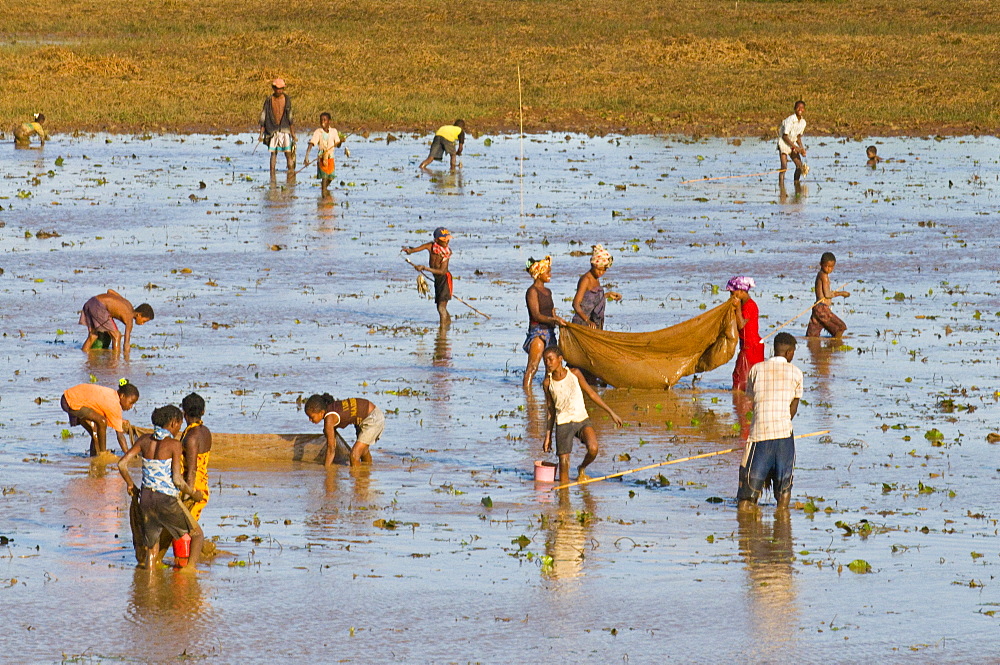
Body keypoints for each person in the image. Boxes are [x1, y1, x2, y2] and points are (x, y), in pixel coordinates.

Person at [117, 405, 204, 571]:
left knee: (152, 548)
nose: (179, 428)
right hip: (166, 499)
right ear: (172, 423)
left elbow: (121, 464)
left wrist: (130, 484)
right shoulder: (174, 444)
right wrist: (193, 494)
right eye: (178, 424)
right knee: (197, 535)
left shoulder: (143, 440)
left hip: (146, 499)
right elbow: (178, 481)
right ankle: (190, 571)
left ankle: (148, 583)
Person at [737, 332, 803, 512]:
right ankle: (782, 520)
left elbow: (752, 400)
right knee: (783, 491)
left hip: (760, 434)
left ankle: (746, 531)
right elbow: (792, 409)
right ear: (789, 353)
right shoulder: (796, 373)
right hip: (783, 435)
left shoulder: (756, 370)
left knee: (747, 495)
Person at [542, 347, 623, 482]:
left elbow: (591, 394)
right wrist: (548, 436)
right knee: (564, 463)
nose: (548, 363)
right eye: (545, 361)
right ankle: (564, 497)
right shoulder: (547, 383)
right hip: (563, 423)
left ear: (560, 359)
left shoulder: (575, 374)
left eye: (550, 359)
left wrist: (611, 413)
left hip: (581, 419)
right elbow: (551, 411)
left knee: (593, 448)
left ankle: (582, 468)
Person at [60, 379, 139, 456]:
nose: (131, 406)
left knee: (95, 430)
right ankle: (103, 453)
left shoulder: (112, 395)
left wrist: (119, 420)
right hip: (70, 400)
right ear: (122, 396)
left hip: (72, 397)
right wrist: (128, 455)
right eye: (131, 403)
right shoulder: (114, 405)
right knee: (102, 421)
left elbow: (104, 410)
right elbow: (120, 436)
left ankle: (94, 456)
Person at [303, 394, 385, 467]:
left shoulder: (329, 419)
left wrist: (327, 470)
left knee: (354, 455)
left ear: (321, 412)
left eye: (312, 417)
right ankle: (367, 473)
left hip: (373, 418)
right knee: (363, 451)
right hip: (367, 416)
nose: (310, 420)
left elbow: (331, 449)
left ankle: (358, 480)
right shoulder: (330, 409)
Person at [523, 256, 567, 390]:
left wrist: (558, 320)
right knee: (533, 367)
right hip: (538, 333)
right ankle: (527, 395)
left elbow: (551, 312)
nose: (550, 275)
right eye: (547, 272)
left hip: (550, 331)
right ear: (538, 274)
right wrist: (554, 320)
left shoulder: (548, 292)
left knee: (551, 369)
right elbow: (536, 315)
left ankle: (549, 393)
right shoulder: (532, 291)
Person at [79, 289, 154, 356]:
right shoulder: (129, 320)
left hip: (91, 302)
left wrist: (116, 301)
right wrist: (127, 360)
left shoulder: (127, 304)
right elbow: (126, 344)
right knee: (117, 336)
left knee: (93, 335)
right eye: (144, 321)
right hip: (100, 307)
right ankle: (115, 362)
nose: (142, 323)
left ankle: (84, 355)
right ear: (139, 315)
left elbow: (110, 291)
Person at [402, 228, 453, 325]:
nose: (446, 242)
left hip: (445, 279)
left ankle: (442, 333)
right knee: (439, 306)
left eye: (447, 239)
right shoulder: (430, 246)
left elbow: (442, 271)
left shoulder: (446, 252)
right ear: (436, 240)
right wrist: (409, 251)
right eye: (444, 240)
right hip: (437, 279)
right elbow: (417, 249)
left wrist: (424, 268)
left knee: (441, 307)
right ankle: (447, 325)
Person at [727, 276, 765, 392]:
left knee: (740, 380)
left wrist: (737, 307)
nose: (731, 296)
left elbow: (741, 324)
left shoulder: (749, 306)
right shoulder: (747, 304)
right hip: (750, 346)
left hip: (751, 348)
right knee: (748, 381)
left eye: (733, 293)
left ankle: (740, 405)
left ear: (741, 291)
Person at [572, 244, 622, 330]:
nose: (601, 273)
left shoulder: (596, 279)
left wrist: (608, 295)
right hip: (583, 323)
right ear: (593, 265)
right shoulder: (586, 280)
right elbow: (576, 304)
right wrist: (587, 320)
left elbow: (591, 299)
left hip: (594, 323)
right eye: (599, 269)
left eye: (604, 270)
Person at [180, 393, 212, 523]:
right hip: (202, 484)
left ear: (184, 413)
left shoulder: (191, 437)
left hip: (193, 489)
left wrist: (187, 496)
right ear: (203, 411)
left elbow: (192, 470)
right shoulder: (205, 431)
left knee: (186, 529)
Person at [806, 252, 850, 338]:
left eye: (831, 267)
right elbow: (827, 295)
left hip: (817, 308)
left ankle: (814, 349)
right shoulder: (824, 276)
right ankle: (834, 346)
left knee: (812, 336)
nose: (828, 269)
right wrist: (841, 293)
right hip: (822, 309)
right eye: (826, 266)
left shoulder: (820, 274)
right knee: (840, 327)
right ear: (821, 264)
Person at [259, 78, 295, 175]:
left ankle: (291, 173)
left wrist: (293, 133)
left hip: (284, 129)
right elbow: (264, 116)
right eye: (277, 88)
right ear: (273, 88)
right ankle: (272, 174)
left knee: (288, 153)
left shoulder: (287, 100)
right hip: (272, 129)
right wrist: (261, 134)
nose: (279, 91)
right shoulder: (269, 100)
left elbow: (290, 117)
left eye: (281, 89)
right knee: (273, 153)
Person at [303, 112, 342, 195]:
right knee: (324, 177)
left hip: (330, 157)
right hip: (322, 157)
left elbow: (338, 145)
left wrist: (341, 142)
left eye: (325, 120)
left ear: (329, 121)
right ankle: (323, 194)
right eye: (321, 120)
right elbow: (311, 143)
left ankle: (323, 190)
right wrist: (306, 157)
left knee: (331, 177)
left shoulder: (334, 131)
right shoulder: (318, 132)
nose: (323, 122)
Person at [777, 101, 807, 183]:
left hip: (793, 144)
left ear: (804, 110)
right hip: (784, 144)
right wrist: (795, 147)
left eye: (802, 108)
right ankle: (781, 188)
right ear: (794, 109)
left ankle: (796, 183)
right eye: (798, 107)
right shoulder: (790, 120)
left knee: (799, 166)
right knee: (784, 167)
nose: (800, 109)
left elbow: (798, 137)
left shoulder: (803, 123)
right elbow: (784, 136)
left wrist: (801, 148)